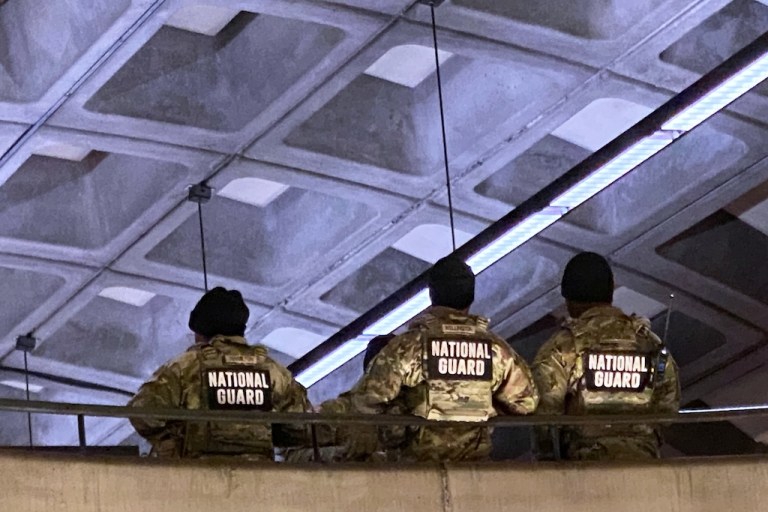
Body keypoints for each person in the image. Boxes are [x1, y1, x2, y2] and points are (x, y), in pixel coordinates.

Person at [350, 255, 539, 462]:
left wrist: (401, 414)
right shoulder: (495, 349)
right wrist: (484, 405)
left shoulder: (410, 346)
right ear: (471, 296)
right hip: (475, 468)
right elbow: (526, 402)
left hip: (417, 469)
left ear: (432, 294)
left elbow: (368, 399)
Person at [128, 287, 311, 459]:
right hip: (257, 477)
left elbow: (142, 411)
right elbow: (300, 427)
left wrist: (171, 443)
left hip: (196, 476)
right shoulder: (273, 371)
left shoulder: (186, 366)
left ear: (201, 331)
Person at [532, 252, 681, 461]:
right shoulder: (649, 343)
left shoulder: (562, 347)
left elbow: (544, 418)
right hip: (642, 464)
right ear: (612, 288)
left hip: (583, 467)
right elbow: (668, 408)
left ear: (567, 298)